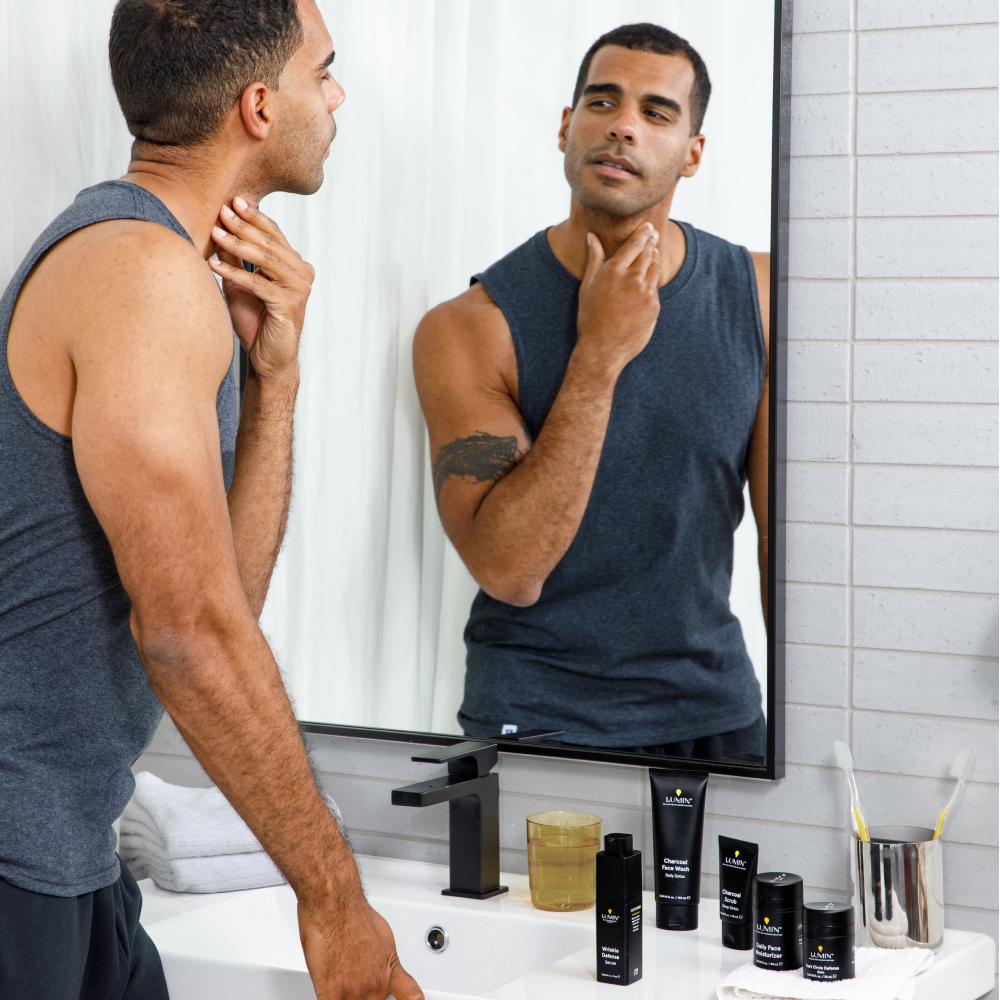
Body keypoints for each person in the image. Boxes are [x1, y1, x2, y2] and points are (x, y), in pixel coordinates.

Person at [0, 2, 422, 998]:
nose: (339, 95)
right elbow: (187, 635)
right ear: (261, 105)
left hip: (68, 854)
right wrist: (333, 899)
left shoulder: (163, 271)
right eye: (325, 71)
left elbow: (219, 597)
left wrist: (275, 383)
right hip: (17, 860)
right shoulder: (138, 272)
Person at [414, 23, 770, 761]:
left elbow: (790, 547)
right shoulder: (469, 329)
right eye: (601, 102)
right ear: (566, 127)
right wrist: (599, 356)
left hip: (716, 710)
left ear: (693, 153)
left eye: (657, 112)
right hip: (538, 712)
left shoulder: (761, 296)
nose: (622, 126)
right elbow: (510, 569)